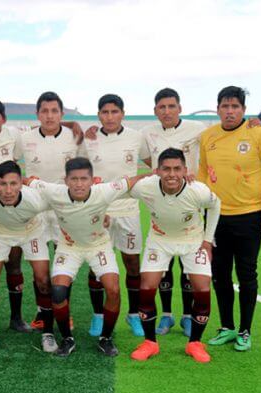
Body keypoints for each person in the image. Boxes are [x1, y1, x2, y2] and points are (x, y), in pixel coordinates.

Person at [27, 157, 150, 357]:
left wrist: (156, 174)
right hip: (69, 247)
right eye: (74, 179)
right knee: (58, 291)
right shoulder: (53, 191)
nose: (79, 184)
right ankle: (67, 339)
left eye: (84, 179)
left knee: (113, 289)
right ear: (65, 180)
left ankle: (105, 339)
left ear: (92, 180)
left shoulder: (104, 191)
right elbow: (27, 181)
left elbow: (132, 180)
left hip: (98, 246)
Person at [198, 86, 261, 352]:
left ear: (244, 110)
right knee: (219, 274)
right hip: (216, 218)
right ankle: (226, 326)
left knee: (246, 274)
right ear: (218, 108)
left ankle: (245, 330)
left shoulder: (258, 134)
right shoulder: (208, 136)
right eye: (225, 106)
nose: (230, 111)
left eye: (235, 106)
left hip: (249, 216)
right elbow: (202, 173)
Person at [129, 149, 221, 363]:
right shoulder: (147, 186)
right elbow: (120, 191)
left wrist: (208, 240)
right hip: (159, 241)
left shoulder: (197, 190)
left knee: (203, 288)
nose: (172, 174)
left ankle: (195, 343)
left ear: (185, 170)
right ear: (158, 171)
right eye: (166, 169)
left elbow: (216, 205)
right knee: (146, 287)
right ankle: (150, 342)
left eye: (177, 169)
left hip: (193, 241)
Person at [137, 88, 206, 336]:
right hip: (162, 205)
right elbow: (148, 160)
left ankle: (188, 315)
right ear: (155, 111)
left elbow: (219, 138)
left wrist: (252, 124)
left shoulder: (197, 128)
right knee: (164, 266)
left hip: (189, 204)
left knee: (188, 265)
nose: (167, 111)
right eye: (162, 107)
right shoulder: (146, 133)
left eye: (171, 106)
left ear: (180, 108)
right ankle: (166, 315)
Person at [0, 161, 57, 354]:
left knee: (43, 279)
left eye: (13, 184)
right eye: (2, 184)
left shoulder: (36, 199)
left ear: (21, 184)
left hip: (31, 232)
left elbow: (64, 196)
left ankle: (48, 333)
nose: (8, 190)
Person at [13, 91, 83, 331]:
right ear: (37, 114)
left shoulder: (75, 137)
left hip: (66, 209)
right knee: (39, 266)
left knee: (64, 263)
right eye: (45, 111)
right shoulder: (24, 138)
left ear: (61, 114)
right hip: (36, 210)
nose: (50, 115)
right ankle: (43, 313)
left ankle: (65, 312)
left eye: (54, 111)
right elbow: (12, 167)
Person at [78, 94, 146, 338]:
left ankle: (134, 314)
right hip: (98, 211)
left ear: (123, 114)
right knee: (97, 266)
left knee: (132, 264)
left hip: (128, 210)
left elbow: (153, 161)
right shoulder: (88, 140)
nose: (109, 117)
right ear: (98, 115)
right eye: (104, 112)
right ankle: (98, 315)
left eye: (114, 112)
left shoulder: (136, 138)